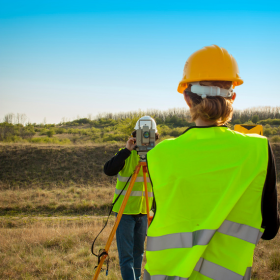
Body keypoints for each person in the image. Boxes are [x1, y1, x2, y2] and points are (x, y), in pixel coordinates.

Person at [144, 45, 279, 280]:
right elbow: (269, 229)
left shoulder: (159, 154)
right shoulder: (258, 150)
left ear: (187, 98)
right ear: (233, 97)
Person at [104, 116, 159, 280]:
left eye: (149, 136)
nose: (146, 139)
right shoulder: (125, 155)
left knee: (139, 254)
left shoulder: (155, 158)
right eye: (143, 135)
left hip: (143, 212)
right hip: (124, 212)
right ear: (135, 136)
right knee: (127, 256)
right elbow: (108, 170)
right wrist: (127, 150)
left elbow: (157, 186)